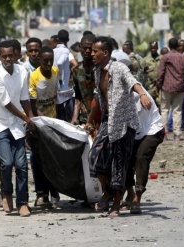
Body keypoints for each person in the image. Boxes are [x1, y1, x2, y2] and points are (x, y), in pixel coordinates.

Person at [85, 36, 151, 217]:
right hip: (108, 121)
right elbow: (98, 98)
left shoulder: (119, 68)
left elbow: (133, 82)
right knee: (95, 156)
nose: (91, 54)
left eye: (94, 51)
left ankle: (116, 203)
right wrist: (90, 120)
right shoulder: (98, 71)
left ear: (105, 53)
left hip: (124, 123)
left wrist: (143, 94)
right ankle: (107, 191)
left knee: (119, 164)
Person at [0, 40, 36, 217]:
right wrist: (25, 118)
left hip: (17, 125)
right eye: (4, 56)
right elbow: (7, 103)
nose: (8, 59)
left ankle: (22, 202)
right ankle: (6, 192)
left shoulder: (22, 71)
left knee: (22, 165)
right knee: (6, 163)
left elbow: (24, 98)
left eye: (10, 55)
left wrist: (31, 119)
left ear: (15, 54)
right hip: (0, 123)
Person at [123, 87, 164, 214]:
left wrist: (142, 94)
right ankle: (130, 193)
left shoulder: (133, 92)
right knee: (125, 159)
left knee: (141, 157)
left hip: (152, 129)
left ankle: (137, 198)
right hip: (135, 131)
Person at [28, 46, 60, 207]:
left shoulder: (56, 71)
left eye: (51, 60)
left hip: (53, 122)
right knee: (38, 159)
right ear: (39, 60)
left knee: (54, 159)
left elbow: (57, 97)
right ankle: (41, 194)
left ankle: (54, 191)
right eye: (45, 60)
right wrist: (41, 122)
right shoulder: (33, 77)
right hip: (40, 125)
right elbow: (33, 106)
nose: (48, 63)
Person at [157, 38, 184, 141]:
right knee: (177, 111)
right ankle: (177, 134)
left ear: (168, 45)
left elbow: (160, 73)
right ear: (178, 45)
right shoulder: (183, 57)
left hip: (166, 87)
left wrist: (158, 86)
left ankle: (164, 133)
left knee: (164, 110)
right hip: (179, 87)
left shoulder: (165, 57)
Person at [71, 34, 97, 126]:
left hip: (101, 118)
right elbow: (78, 96)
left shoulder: (101, 69)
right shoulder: (76, 70)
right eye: (85, 48)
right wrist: (75, 117)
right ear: (80, 47)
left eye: (90, 49)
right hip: (84, 119)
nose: (87, 51)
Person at [54, 29, 75, 123]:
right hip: (65, 88)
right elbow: (74, 64)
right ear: (68, 39)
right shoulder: (66, 51)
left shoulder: (53, 51)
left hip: (55, 87)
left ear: (57, 39)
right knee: (67, 117)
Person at [143, 41, 161, 110]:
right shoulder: (145, 60)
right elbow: (142, 72)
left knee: (161, 106)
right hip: (150, 86)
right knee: (150, 106)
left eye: (155, 48)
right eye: (152, 48)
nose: (153, 50)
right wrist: (146, 71)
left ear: (157, 48)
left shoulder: (162, 58)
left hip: (160, 87)